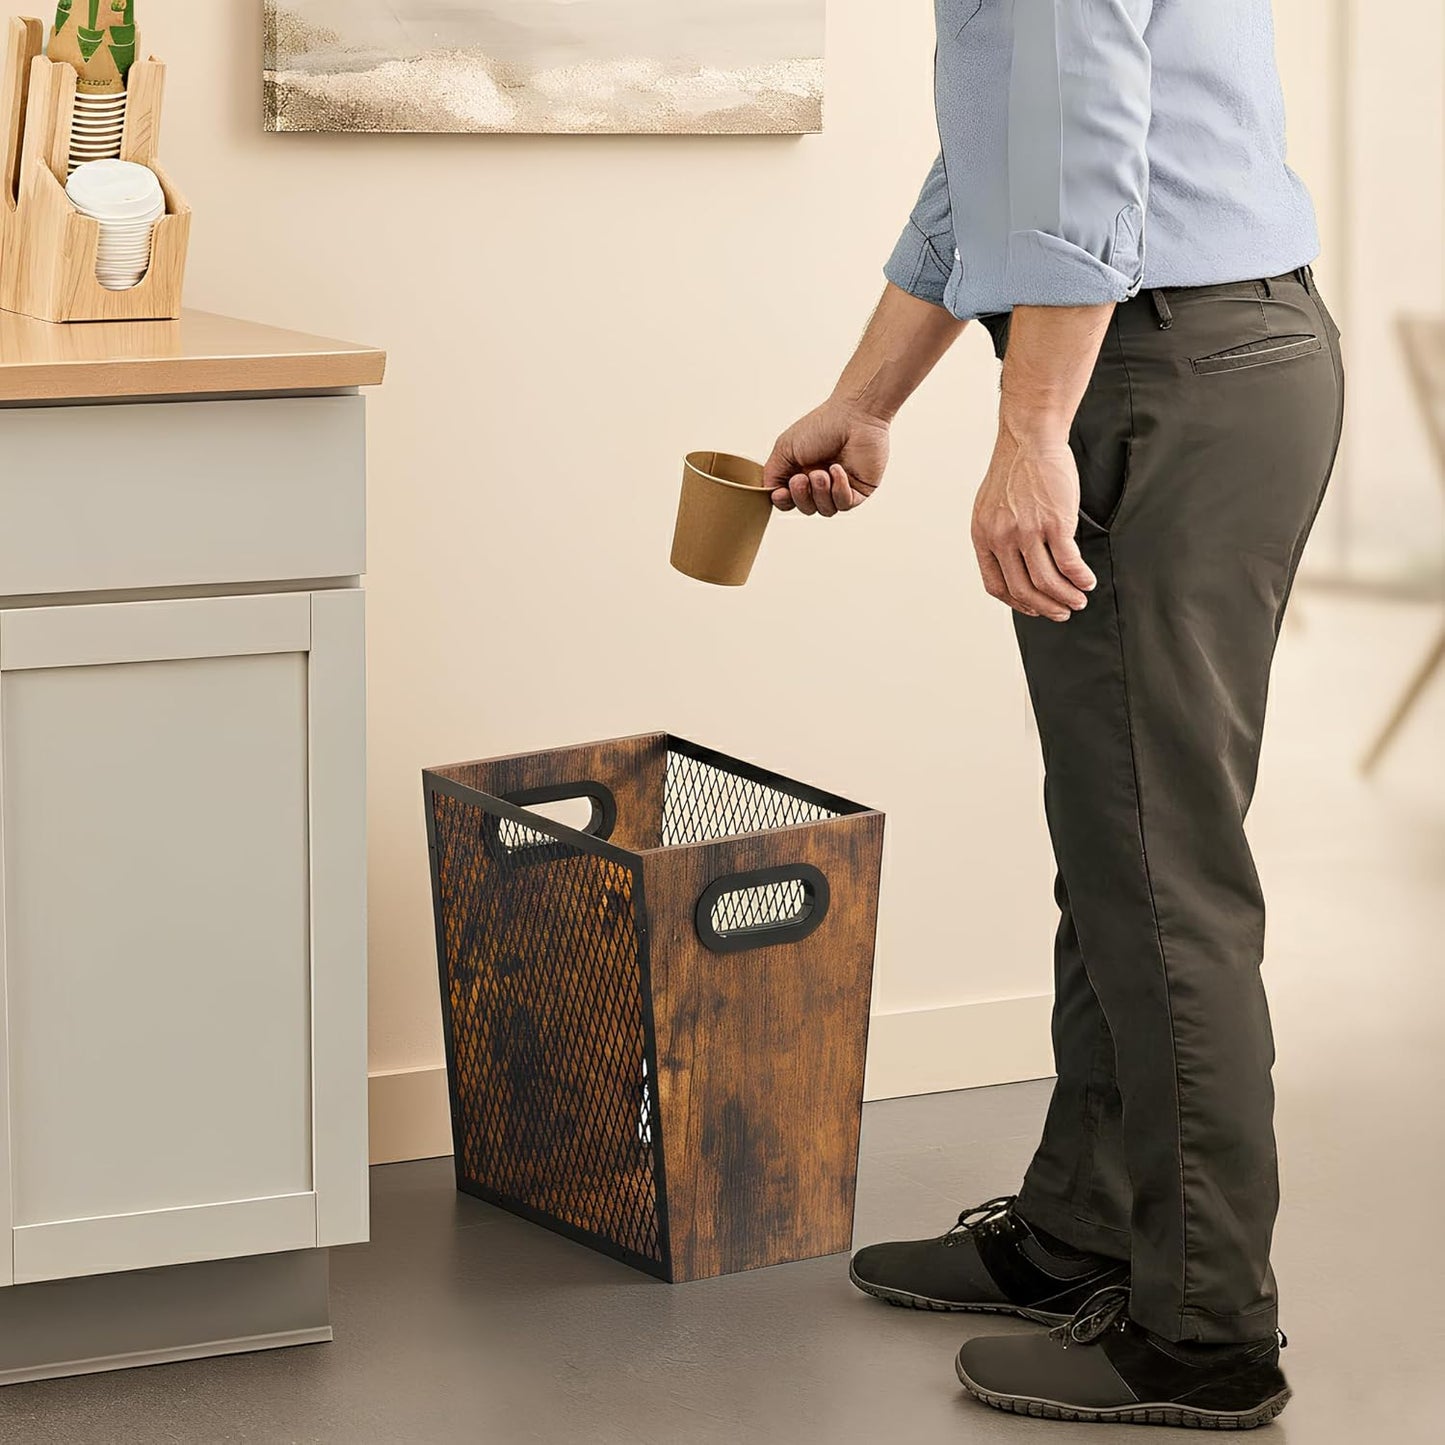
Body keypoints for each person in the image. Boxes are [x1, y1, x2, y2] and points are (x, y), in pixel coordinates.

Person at [763, 0, 1342, 1430]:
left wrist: (1026, 432)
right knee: (1121, 836)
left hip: (1161, 370)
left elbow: (1075, 172)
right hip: (1211, 353)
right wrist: (866, 397)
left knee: (1157, 869)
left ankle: (1204, 1331)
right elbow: (1003, 164)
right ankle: (1083, 1225)